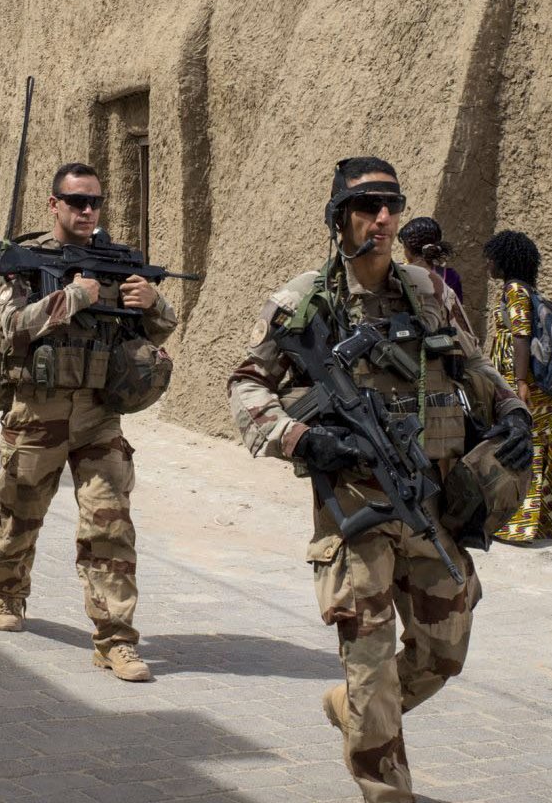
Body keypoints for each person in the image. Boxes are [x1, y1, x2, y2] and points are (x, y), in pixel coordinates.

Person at [227, 157, 532, 803]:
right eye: (368, 207)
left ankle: (354, 710)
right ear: (340, 220)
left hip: (429, 498)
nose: (384, 217)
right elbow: (246, 386)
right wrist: (303, 438)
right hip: (355, 507)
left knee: (445, 650)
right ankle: (384, 785)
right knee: (371, 670)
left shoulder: (428, 291)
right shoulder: (304, 301)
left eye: (391, 204)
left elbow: (472, 363)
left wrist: (512, 413)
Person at [0, 162, 176, 683]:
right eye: (76, 202)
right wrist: (74, 296)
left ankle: (115, 639)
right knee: (19, 517)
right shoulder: (25, 263)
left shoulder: (116, 262)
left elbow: (159, 328)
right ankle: (9, 589)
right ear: (55, 205)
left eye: (94, 201)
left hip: (99, 414)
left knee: (109, 523)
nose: (87, 210)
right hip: (37, 411)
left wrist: (154, 303)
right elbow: (10, 326)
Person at [482, 229, 552, 544]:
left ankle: (518, 525)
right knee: (543, 446)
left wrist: (520, 382)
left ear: (504, 261)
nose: (488, 264)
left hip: (520, 384)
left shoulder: (513, 291)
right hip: (532, 385)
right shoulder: (528, 289)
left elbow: (521, 336)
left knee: (523, 447)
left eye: (491, 258)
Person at [398, 216, 474, 341]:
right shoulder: (450, 276)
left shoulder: (400, 275)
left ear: (408, 249)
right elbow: (458, 316)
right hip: (446, 344)